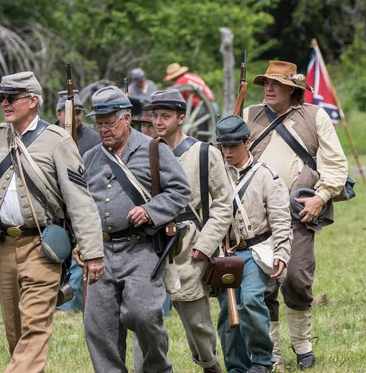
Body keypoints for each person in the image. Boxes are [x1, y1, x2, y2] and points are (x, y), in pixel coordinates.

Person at [0, 71, 104, 373]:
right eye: (2, 98)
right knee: (16, 335)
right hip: (1, 246)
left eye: (12, 98)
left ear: (32, 100)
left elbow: (80, 199)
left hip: (41, 247)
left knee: (35, 330)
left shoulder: (58, 141)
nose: (5, 103)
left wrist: (92, 252)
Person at [244, 61, 348, 370]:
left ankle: (302, 343)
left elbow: (336, 164)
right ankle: (271, 352)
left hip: (297, 211)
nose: (269, 88)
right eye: (265, 83)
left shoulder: (315, 116)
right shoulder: (250, 114)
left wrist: (321, 196)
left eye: (275, 84)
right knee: (262, 286)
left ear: (293, 89)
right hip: (257, 215)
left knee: (297, 279)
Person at [80, 86, 191, 373]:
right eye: (99, 123)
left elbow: (180, 191)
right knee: (99, 327)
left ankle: (156, 369)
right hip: (101, 251)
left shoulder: (153, 149)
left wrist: (151, 210)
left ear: (127, 118)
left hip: (141, 248)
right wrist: (82, 242)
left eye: (110, 122)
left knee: (144, 316)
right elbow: (80, 204)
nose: (104, 129)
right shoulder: (91, 157)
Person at [144, 89, 232, 373]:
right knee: (143, 316)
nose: (158, 122)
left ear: (181, 118)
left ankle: (210, 365)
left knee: (196, 321)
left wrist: (205, 246)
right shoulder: (144, 153)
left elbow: (223, 204)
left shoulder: (205, 153)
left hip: (190, 244)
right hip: (152, 242)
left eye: (165, 116)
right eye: (155, 116)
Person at [215, 115, 293, 373]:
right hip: (224, 254)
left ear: (247, 142)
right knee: (228, 309)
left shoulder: (267, 176)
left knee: (250, 301)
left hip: (256, 251)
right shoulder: (216, 175)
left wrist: (281, 252)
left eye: (233, 146)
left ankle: (261, 359)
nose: (227, 152)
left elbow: (281, 220)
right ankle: (236, 366)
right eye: (223, 146)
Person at [53, 90, 102, 313]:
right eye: (71, 112)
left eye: (79, 112)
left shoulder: (93, 138)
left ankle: (74, 303)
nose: (75, 117)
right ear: (58, 113)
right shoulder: (48, 135)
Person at [54, 89, 102, 156]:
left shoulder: (94, 139)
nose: (74, 118)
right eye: (70, 112)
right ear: (59, 114)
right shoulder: (48, 136)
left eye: (78, 113)